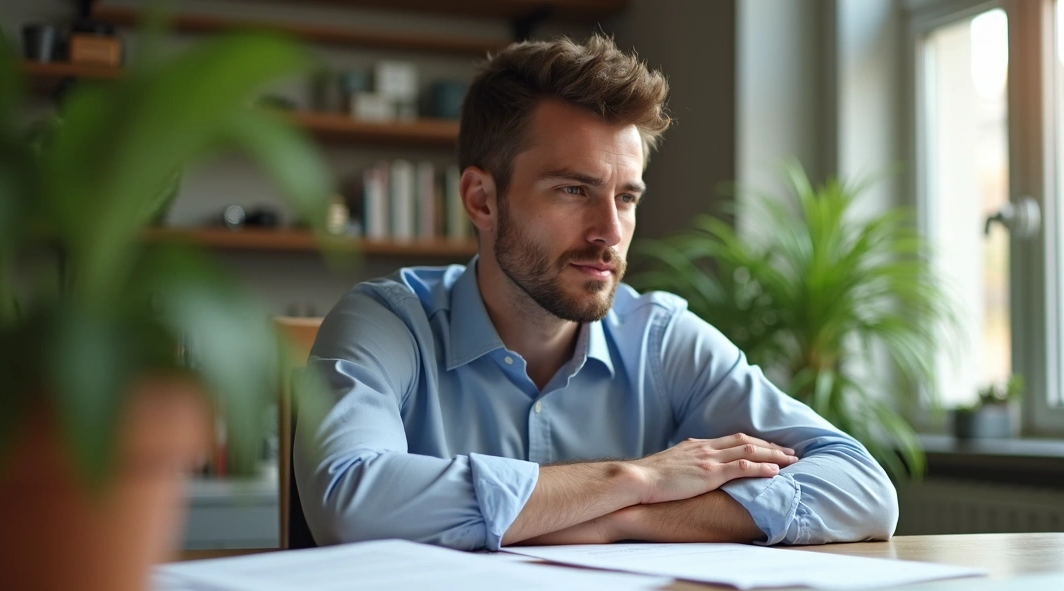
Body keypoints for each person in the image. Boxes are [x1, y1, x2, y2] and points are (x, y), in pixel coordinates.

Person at [296, 34, 899, 551]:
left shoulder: (661, 340)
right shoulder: (385, 323)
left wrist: (623, 520)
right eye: (572, 190)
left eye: (627, 197)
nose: (610, 232)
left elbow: (864, 490)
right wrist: (631, 478)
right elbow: (350, 499)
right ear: (482, 200)